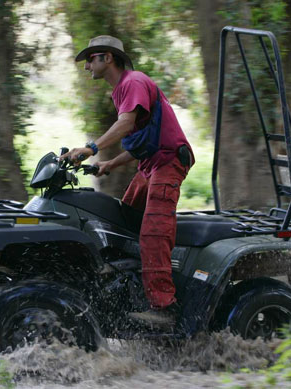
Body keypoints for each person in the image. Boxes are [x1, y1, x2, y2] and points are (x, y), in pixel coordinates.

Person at [62, 35, 195, 326]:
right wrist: (109, 164)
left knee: (152, 233)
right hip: (149, 164)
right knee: (123, 220)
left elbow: (125, 125)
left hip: (168, 162)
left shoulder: (133, 82)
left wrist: (91, 148)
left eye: (90, 59)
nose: (87, 67)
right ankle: (129, 283)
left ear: (107, 58)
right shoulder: (120, 91)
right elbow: (137, 142)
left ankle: (164, 308)